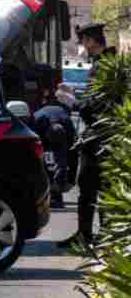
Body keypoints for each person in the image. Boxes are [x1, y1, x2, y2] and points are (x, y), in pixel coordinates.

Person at [60, 22, 117, 249]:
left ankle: (99, 237)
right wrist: (76, 94)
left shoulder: (104, 65)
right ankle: (89, 235)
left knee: (97, 187)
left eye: (83, 41)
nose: (81, 46)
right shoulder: (106, 63)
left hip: (101, 136)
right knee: (90, 186)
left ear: (92, 41)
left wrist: (73, 102)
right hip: (101, 135)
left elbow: (98, 104)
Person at [33, 88, 76, 209]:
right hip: (42, 129)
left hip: (55, 132)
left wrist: (70, 179)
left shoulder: (66, 121)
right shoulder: (40, 120)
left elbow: (72, 152)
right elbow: (72, 153)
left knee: (60, 161)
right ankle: (51, 190)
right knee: (46, 161)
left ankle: (55, 190)